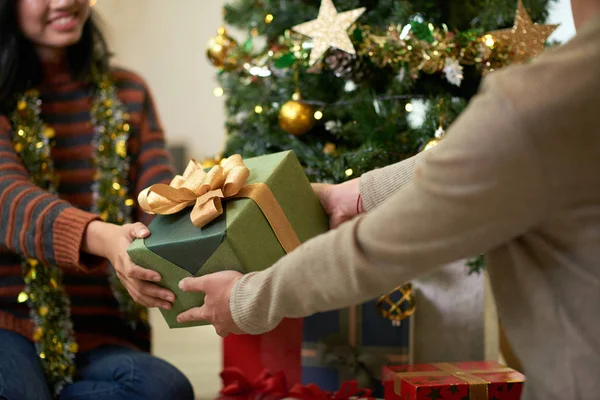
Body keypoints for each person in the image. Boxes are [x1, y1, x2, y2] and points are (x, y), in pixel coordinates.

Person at [176, 1, 600, 399]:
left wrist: (246, 299)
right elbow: (478, 162)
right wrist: (361, 193)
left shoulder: (543, 102)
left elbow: (376, 249)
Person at [0, 0, 193, 399]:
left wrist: (175, 233)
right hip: (8, 326)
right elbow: (8, 200)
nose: (66, 2)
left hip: (102, 336)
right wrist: (104, 239)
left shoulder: (129, 92)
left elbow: (156, 196)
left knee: (165, 389)